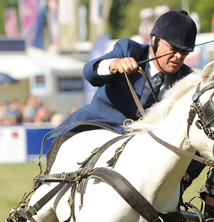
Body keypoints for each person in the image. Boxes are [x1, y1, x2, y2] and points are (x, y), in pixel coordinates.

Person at [46, 9, 197, 145]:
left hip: (144, 148)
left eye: (185, 52)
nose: (178, 56)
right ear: (154, 41)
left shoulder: (187, 79)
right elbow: (89, 73)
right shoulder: (128, 49)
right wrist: (114, 64)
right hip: (98, 128)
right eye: (173, 49)